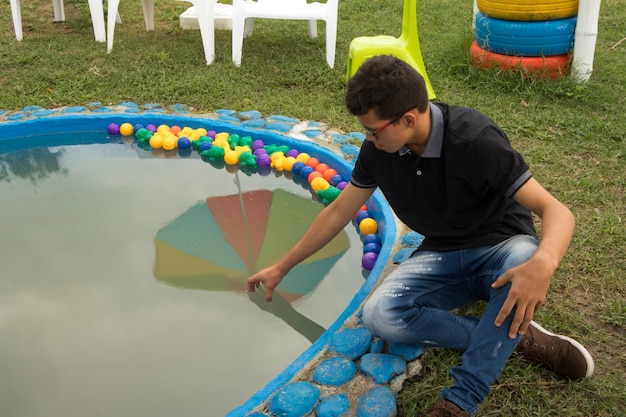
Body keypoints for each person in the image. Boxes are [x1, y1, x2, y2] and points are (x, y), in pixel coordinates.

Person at [246, 55, 594, 417]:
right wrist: (282, 267)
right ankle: (512, 337)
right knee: (381, 315)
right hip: (442, 252)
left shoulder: (475, 139)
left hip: (501, 249)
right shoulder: (379, 150)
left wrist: (544, 263)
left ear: (408, 119)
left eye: (373, 130)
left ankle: (459, 403)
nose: (368, 138)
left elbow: (558, 212)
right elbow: (337, 212)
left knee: (526, 256)